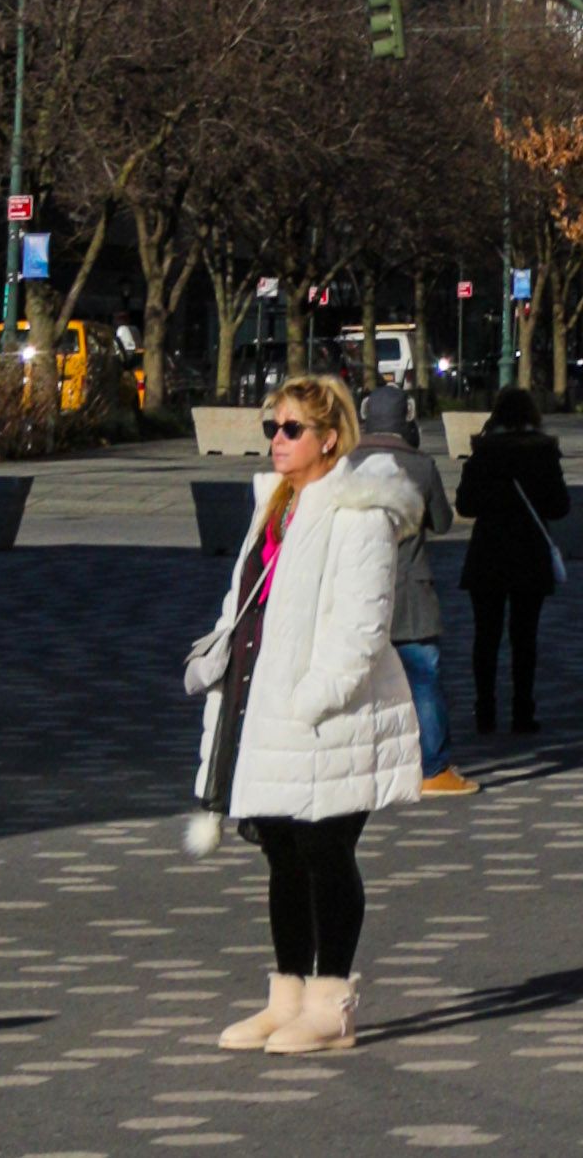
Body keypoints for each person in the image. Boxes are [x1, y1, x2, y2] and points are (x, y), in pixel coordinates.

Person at [184, 370, 421, 1057]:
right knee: (281, 853)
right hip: (261, 703)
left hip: (326, 716)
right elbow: (249, 601)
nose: (277, 440)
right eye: (272, 427)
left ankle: (330, 1004)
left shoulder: (357, 511)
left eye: (291, 429)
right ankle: (285, 995)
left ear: (329, 437)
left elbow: (363, 625)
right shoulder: (277, 504)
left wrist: (315, 696)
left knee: (325, 851)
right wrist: (217, 655)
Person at [356, 382, 468, 796]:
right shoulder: (421, 466)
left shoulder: (345, 463)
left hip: (358, 590)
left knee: (362, 681)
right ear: (407, 421)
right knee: (423, 678)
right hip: (411, 589)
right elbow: (441, 521)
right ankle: (434, 768)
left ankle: (368, 763)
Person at [455, 382, 569, 739]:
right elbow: (559, 506)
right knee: (525, 636)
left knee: (485, 637)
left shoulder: (483, 452)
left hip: (488, 552)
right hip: (529, 553)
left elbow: (465, 506)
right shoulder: (544, 452)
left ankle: (485, 710)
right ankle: (523, 710)